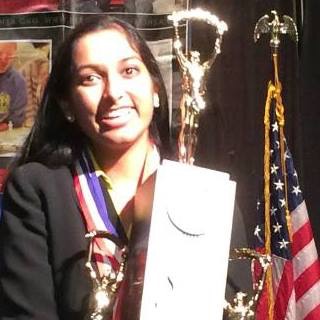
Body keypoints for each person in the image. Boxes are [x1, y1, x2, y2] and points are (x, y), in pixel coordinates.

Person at [0, 15, 170, 319]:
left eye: (129, 71)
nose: (113, 93)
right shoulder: (35, 191)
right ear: (67, 105)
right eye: (91, 78)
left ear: (155, 89)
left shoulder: (203, 192)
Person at [0, 42, 27, 131]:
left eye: (9, 56)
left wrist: (6, 124)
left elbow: (17, 118)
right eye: (0, 53)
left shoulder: (18, 81)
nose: (4, 59)